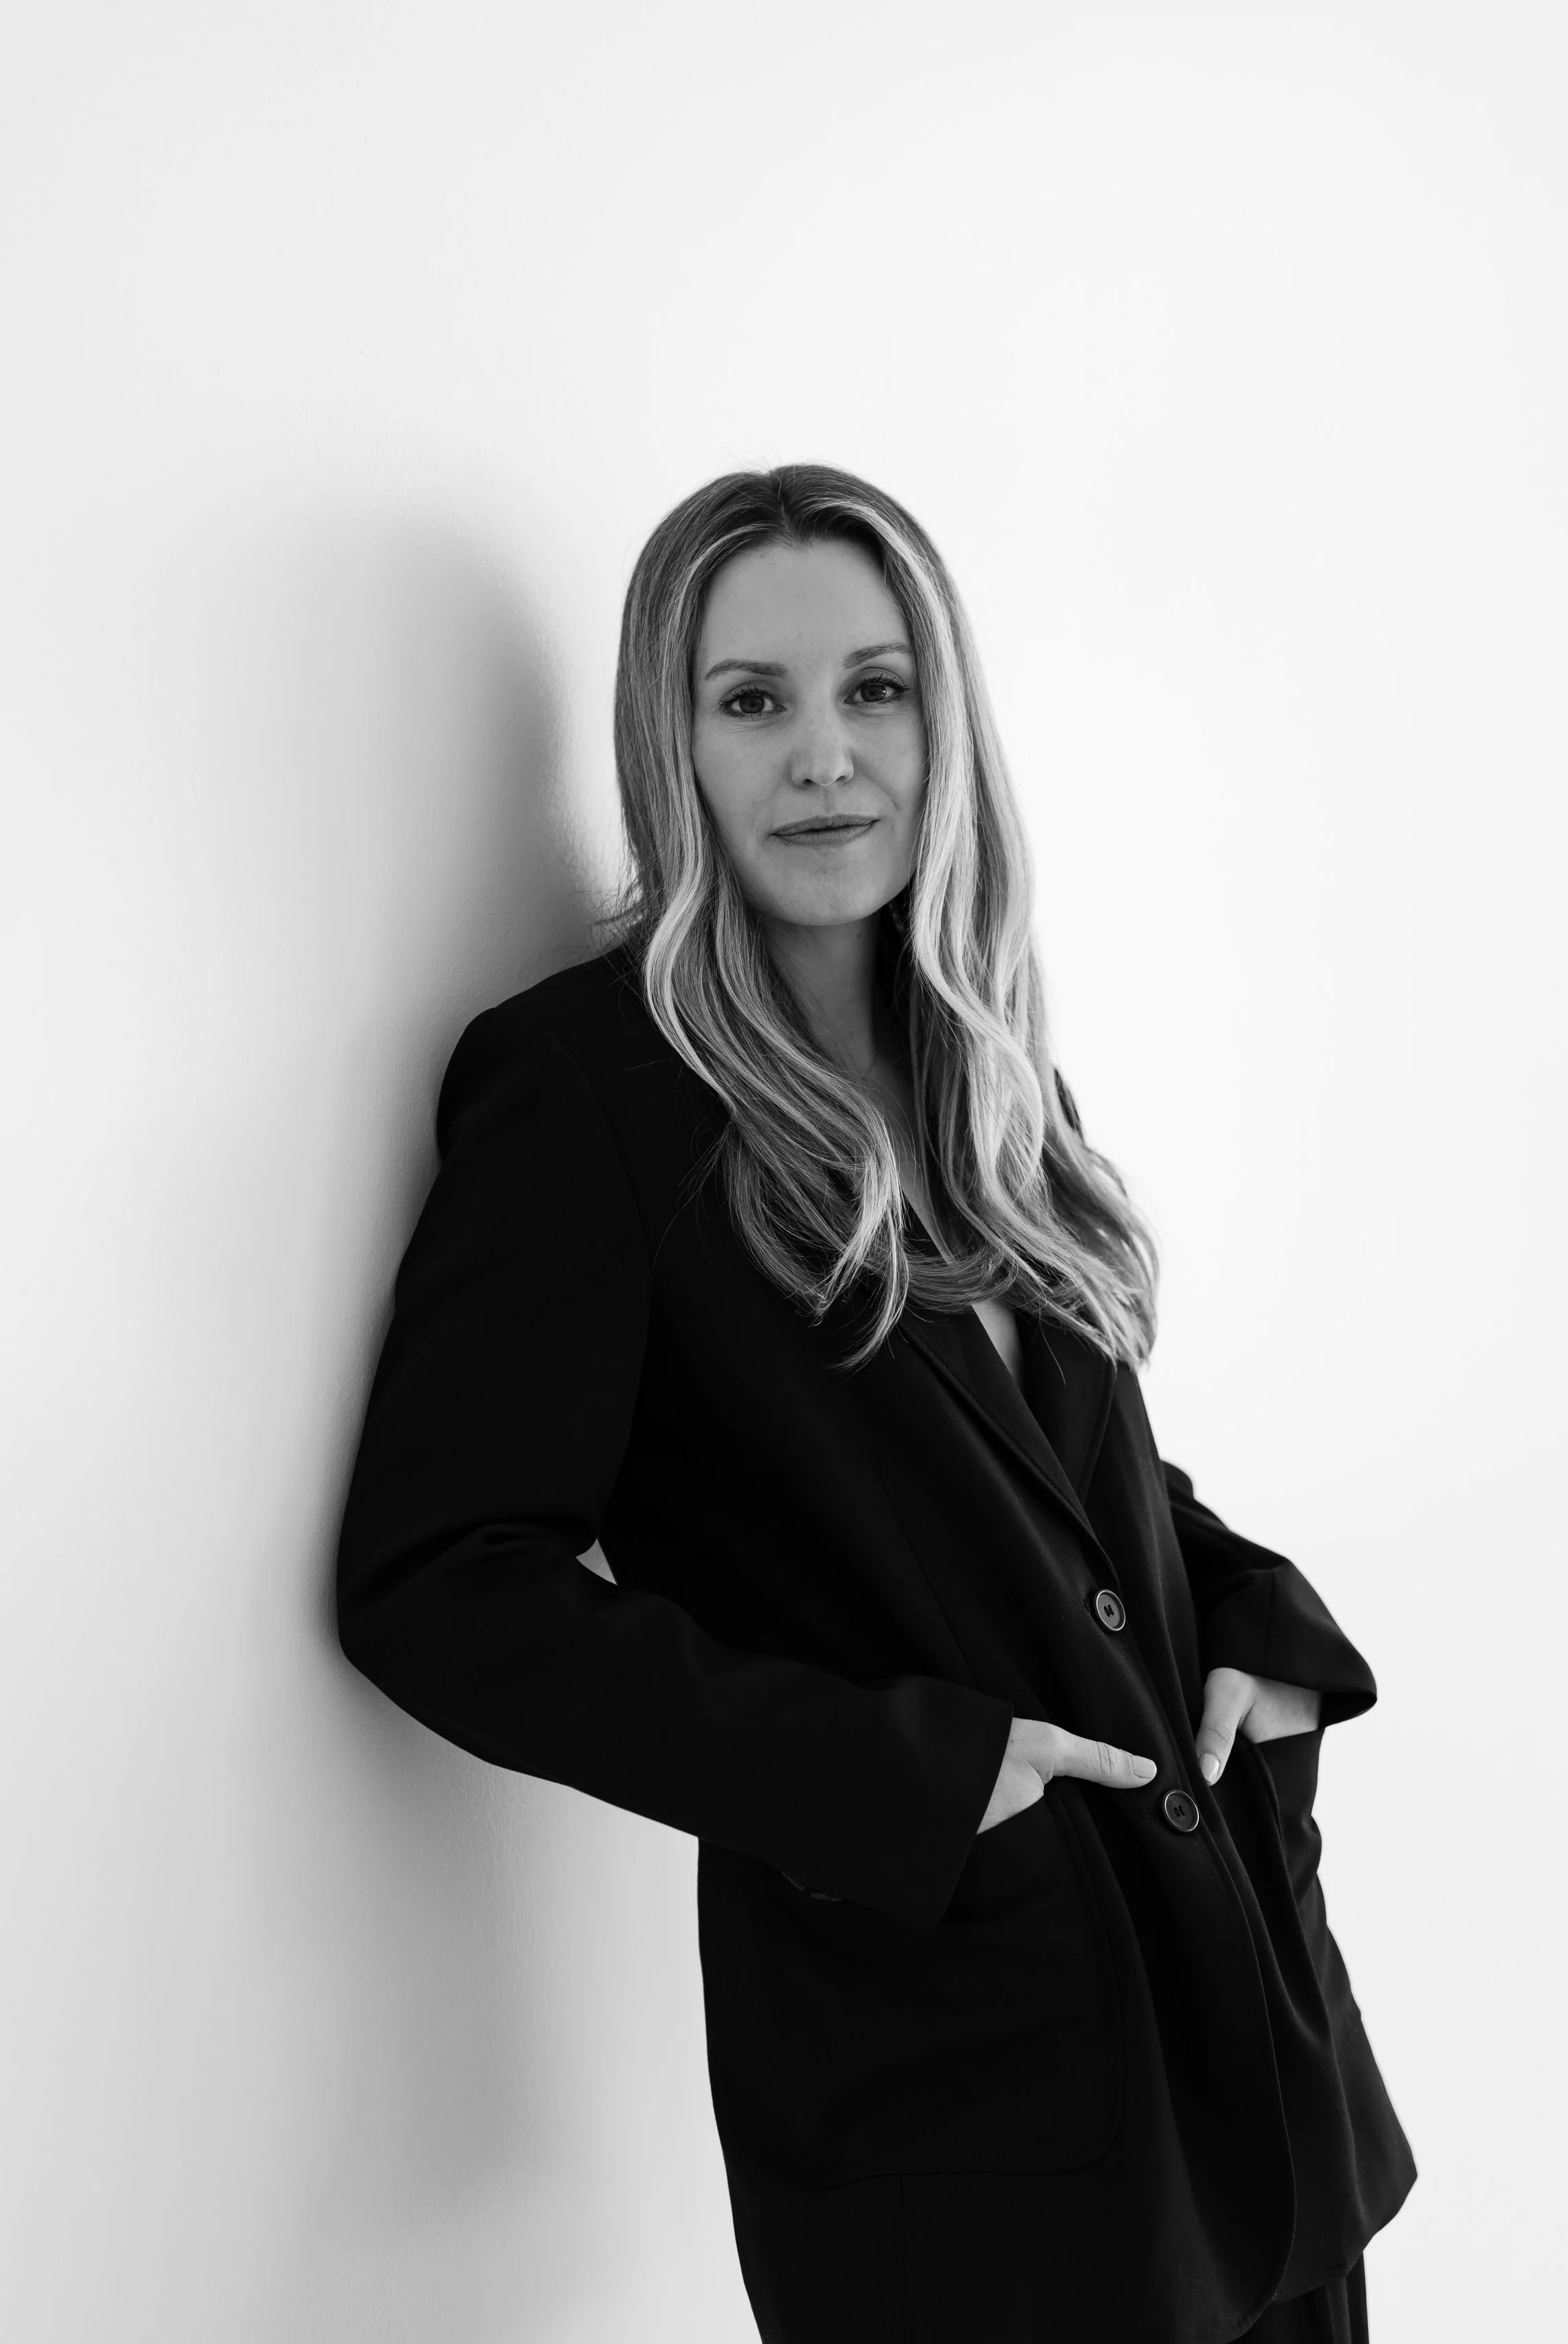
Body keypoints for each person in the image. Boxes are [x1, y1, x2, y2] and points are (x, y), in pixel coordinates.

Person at [334, 464, 1416, 2343]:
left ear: (947, 722)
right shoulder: (590, 1093)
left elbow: (1062, 1493)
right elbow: (439, 1576)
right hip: (963, 2097)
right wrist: (892, 1778)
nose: (824, 754)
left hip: (1238, 2048)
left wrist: (1253, 1622)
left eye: (877, 687)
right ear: (667, 743)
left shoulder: (988, 1072)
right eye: (750, 699)